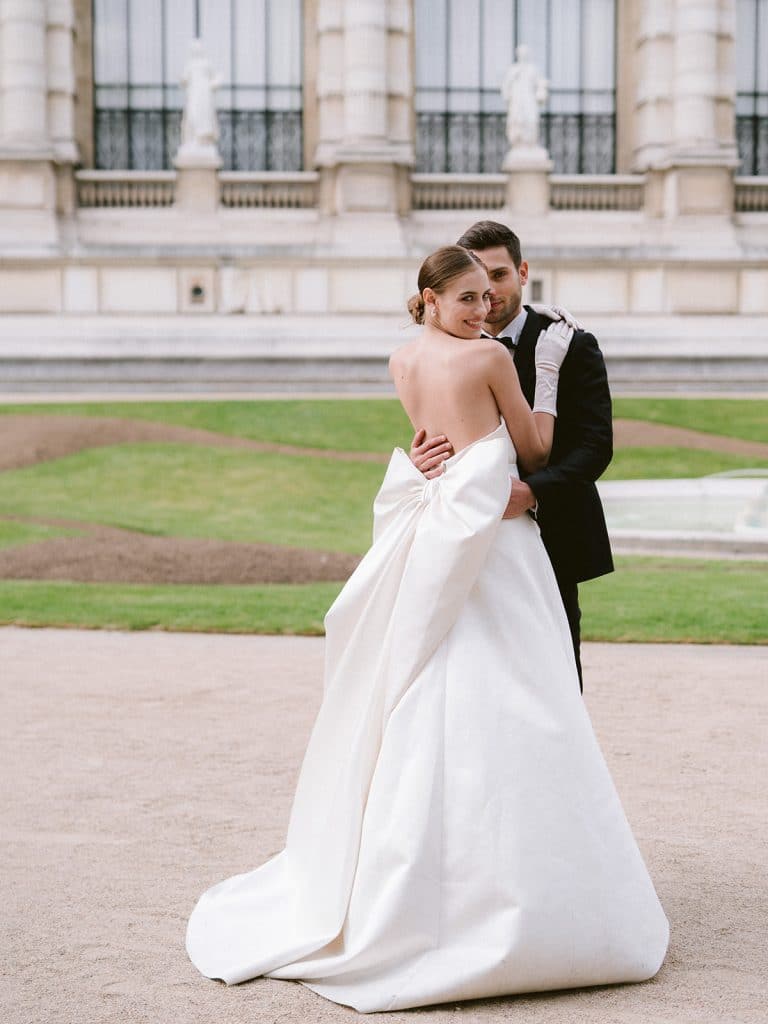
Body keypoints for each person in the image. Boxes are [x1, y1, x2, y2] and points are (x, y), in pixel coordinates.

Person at [186, 246, 668, 1012]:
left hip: (439, 521)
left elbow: (435, 446)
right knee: (520, 687)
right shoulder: (488, 360)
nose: (483, 311)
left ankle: (418, 880)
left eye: (488, 296)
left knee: (432, 679)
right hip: (497, 538)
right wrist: (537, 385)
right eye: (469, 298)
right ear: (432, 298)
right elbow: (535, 449)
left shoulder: (400, 362)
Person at [411, 221, 614, 689]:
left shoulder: (570, 342)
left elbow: (594, 446)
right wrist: (422, 462)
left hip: (552, 529)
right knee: (471, 669)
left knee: (555, 670)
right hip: (470, 530)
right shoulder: (449, 347)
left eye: (499, 276)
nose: (488, 296)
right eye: (477, 283)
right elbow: (433, 434)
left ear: (523, 272)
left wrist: (533, 493)